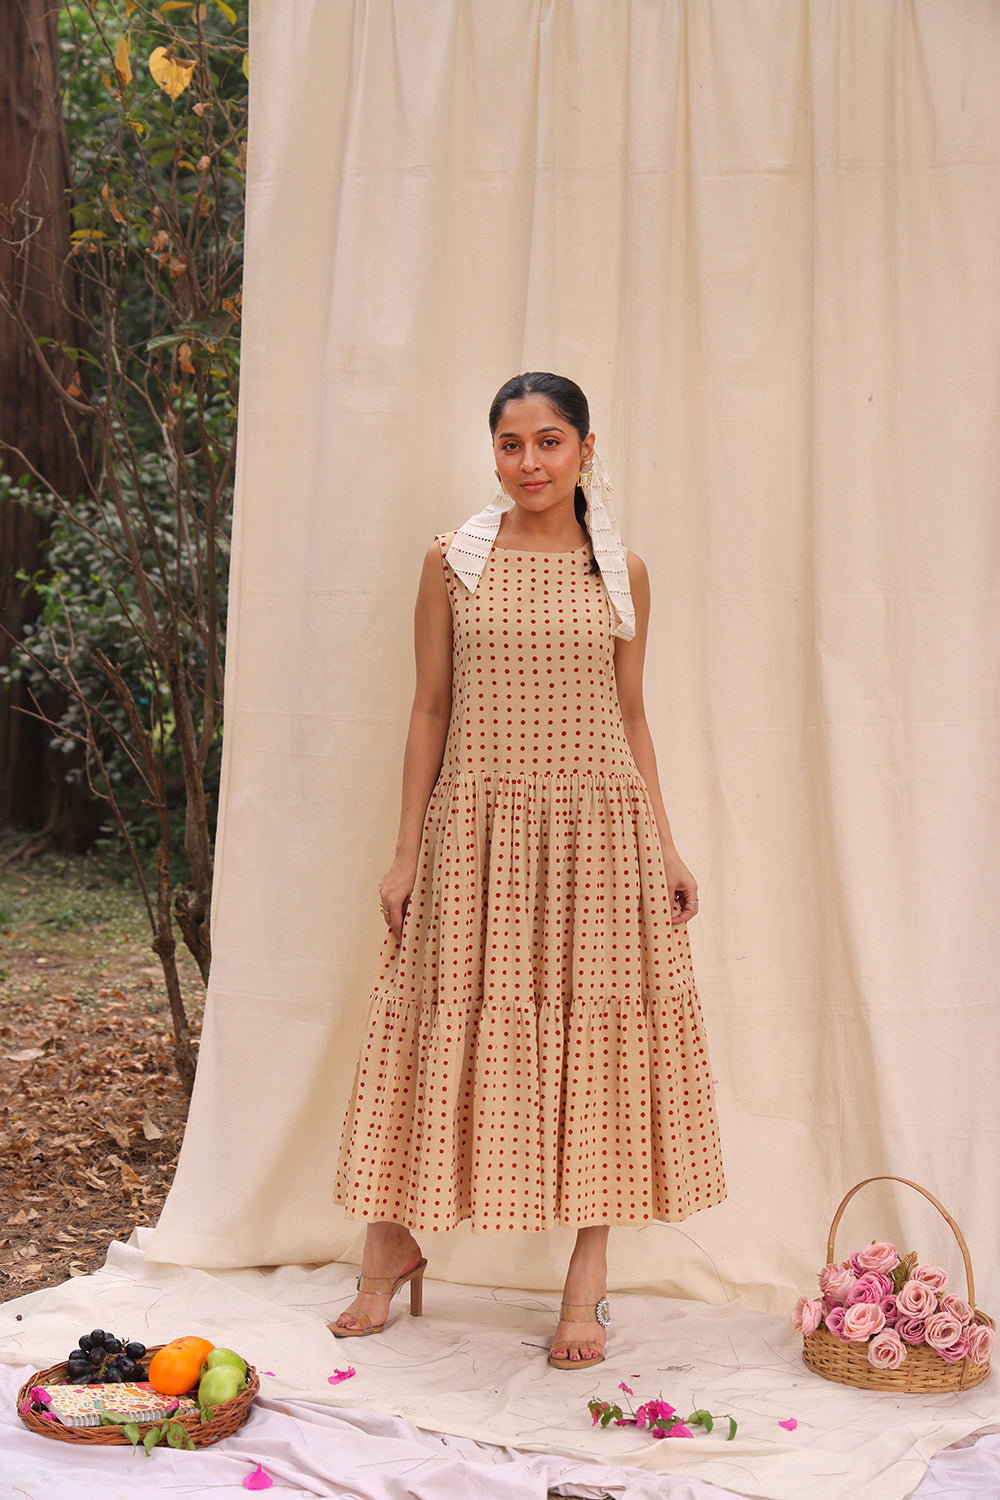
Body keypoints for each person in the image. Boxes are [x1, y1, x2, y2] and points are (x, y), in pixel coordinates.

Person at [332, 372, 725, 1368]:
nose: (529, 463)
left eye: (549, 443)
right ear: (493, 456)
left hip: (599, 839)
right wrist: (405, 849)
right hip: (477, 832)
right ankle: (389, 1249)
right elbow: (429, 710)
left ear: (586, 450)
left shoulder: (622, 571)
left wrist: (667, 847)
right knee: (436, 1028)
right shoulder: (451, 564)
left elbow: (630, 716)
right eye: (510, 445)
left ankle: (585, 1288)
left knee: (598, 1049)